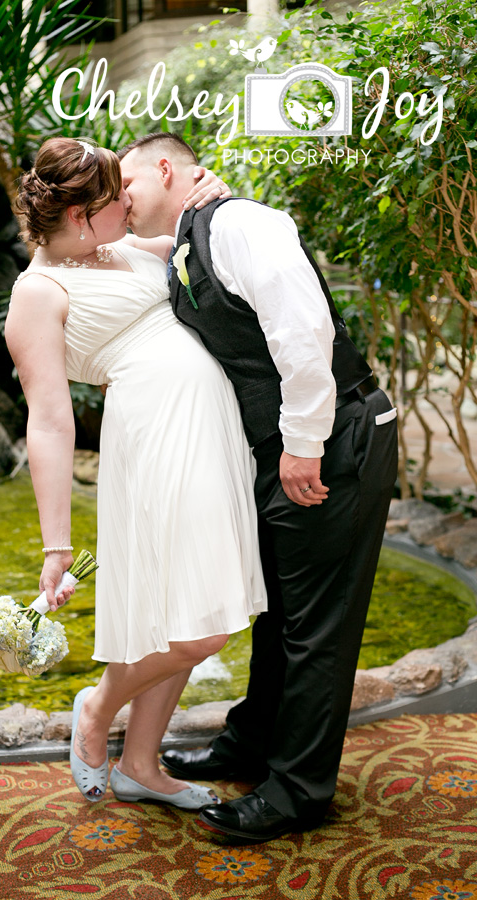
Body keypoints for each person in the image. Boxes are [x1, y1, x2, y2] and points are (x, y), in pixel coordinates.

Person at [119, 132, 398, 842]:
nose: (121, 200)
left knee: (316, 629)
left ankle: (298, 791)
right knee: (279, 612)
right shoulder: (191, 237)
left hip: (332, 438)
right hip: (287, 448)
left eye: (126, 184)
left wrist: (304, 446)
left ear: (164, 166)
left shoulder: (242, 223)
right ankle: (250, 745)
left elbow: (302, 334)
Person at [4, 137, 267, 810]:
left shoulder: (120, 249)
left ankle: (142, 764)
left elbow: (200, 240)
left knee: (180, 608)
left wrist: (213, 196)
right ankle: (97, 708)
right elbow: (51, 423)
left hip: (209, 433)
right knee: (200, 628)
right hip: (155, 442)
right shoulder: (38, 292)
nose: (129, 202)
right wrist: (56, 545)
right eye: (115, 197)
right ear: (80, 216)